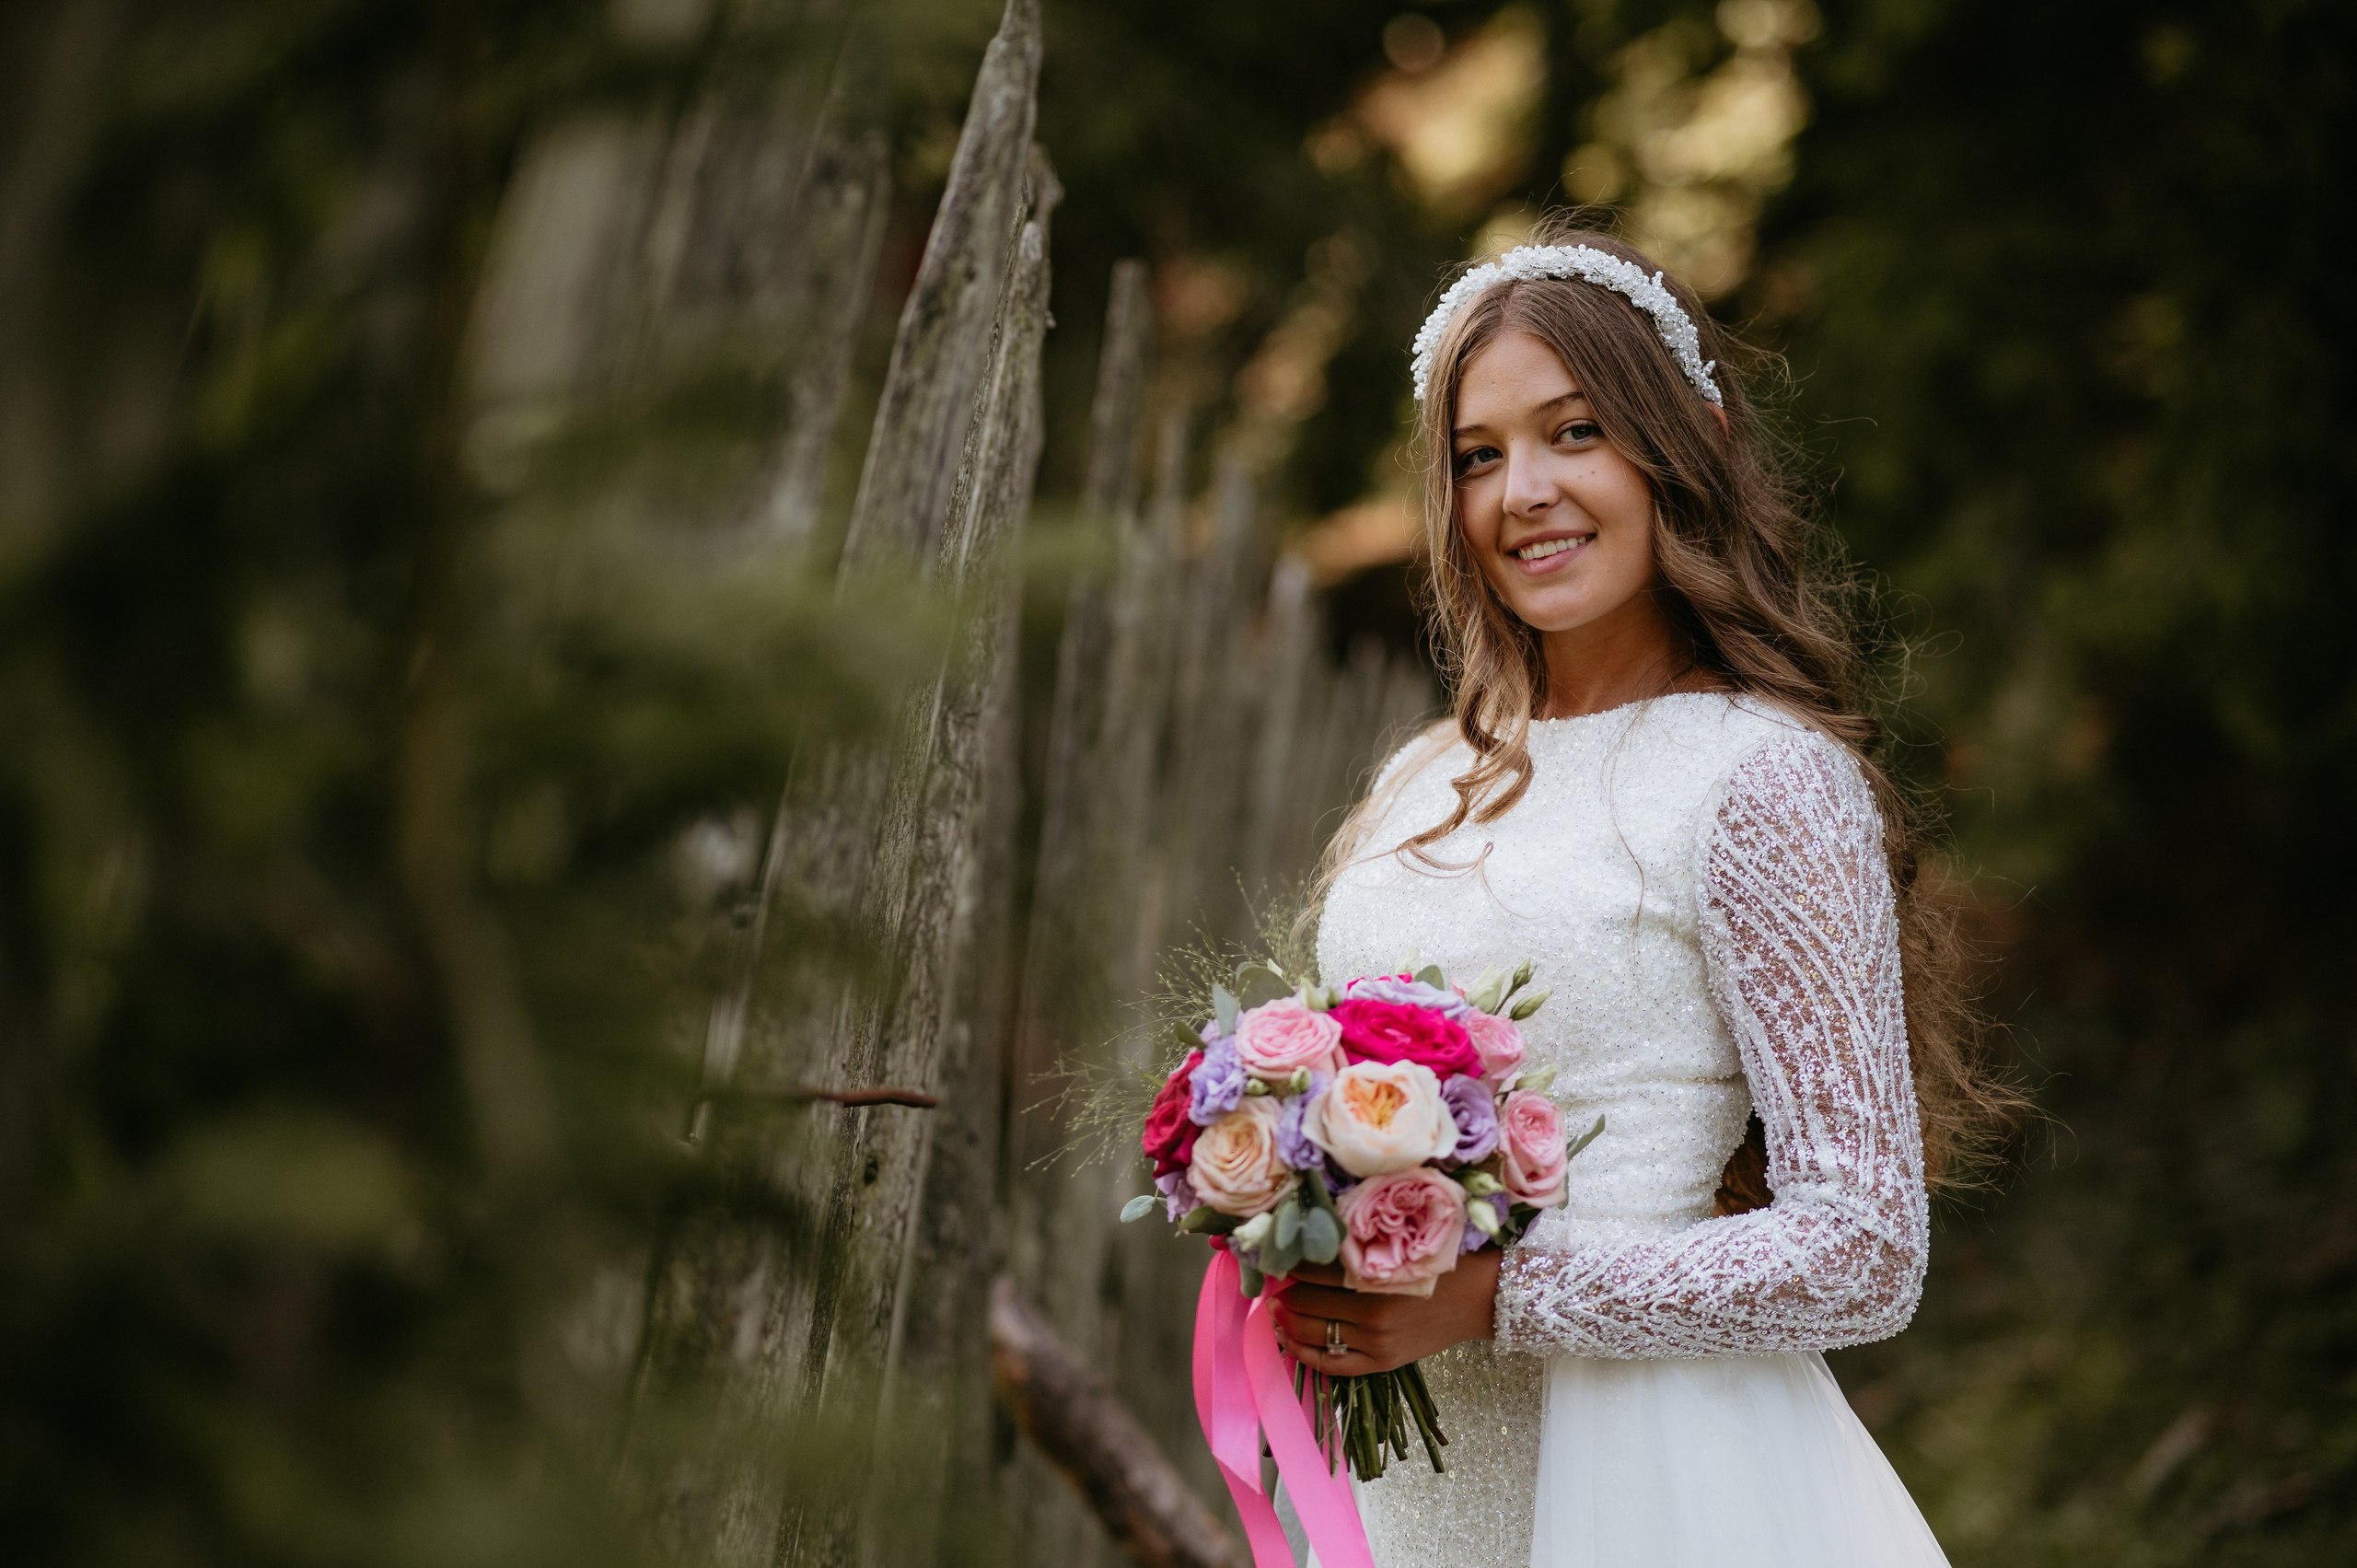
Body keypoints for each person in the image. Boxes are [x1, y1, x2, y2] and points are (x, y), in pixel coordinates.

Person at [1268, 215, 2014, 1568]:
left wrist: (1497, 1299)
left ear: (1685, 447)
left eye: (1574, 433)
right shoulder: (1420, 780)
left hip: (1659, 1481)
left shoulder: (1762, 780)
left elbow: (1861, 1244)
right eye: (1479, 458)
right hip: (1411, 1482)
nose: (1524, 491)